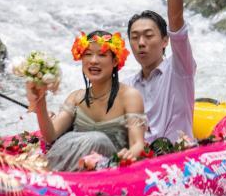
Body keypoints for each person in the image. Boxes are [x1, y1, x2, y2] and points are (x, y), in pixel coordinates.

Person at [27, 31, 147, 171]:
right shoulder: (76, 97)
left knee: (97, 139)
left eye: (101, 55)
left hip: (108, 168)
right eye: (88, 54)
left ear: (115, 61)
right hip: (71, 163)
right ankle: (46, 173)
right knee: (82, 138)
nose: (93, 60)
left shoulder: (130, 96)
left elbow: (138, 143)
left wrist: (128, 156)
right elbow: (51, 135)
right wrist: (40, 102)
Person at [123, 0, 197, 144]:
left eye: (148, 35)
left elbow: (176, 21)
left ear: (165, 41)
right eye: (134, 38)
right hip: (141, 161)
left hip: (178, 159)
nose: (141, 43)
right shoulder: (127, 87)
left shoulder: (180, 69)